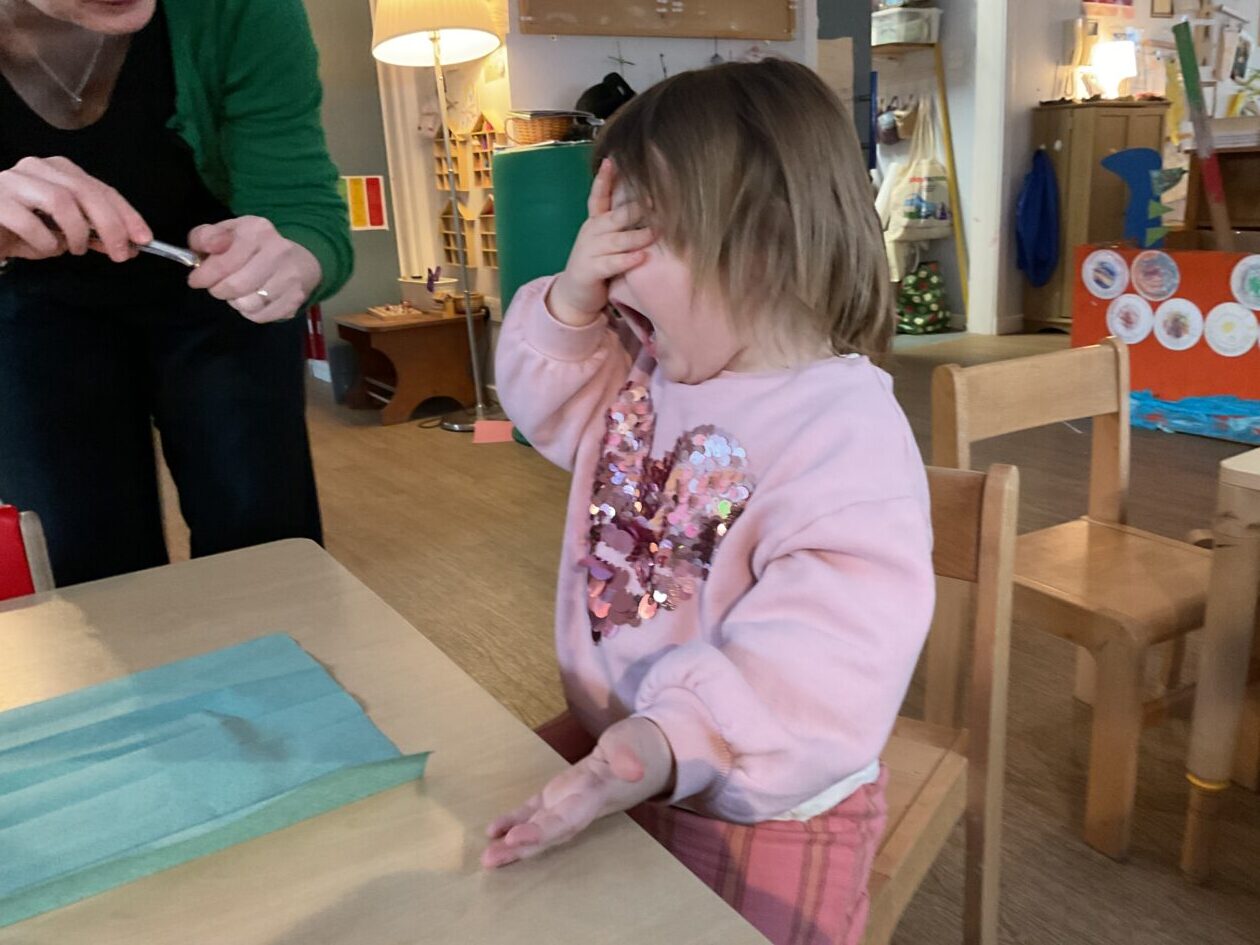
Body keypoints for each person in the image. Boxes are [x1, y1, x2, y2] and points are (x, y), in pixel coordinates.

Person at [486, 60, 935, 945]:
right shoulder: (648, 369)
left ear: (760, 242)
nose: (608, 269)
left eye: (636, 234)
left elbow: (820, 663)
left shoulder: (845, 434)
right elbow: (542, 409)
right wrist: (569, 300)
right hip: (624, 744)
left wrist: (668, 740)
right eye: (603, 234)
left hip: (760, 796)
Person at [0, 0, 351, 586]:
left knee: (265, 556)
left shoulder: (243, 9)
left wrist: (294, 257)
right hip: (23, 300)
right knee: (78, 566)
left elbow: (302, 207)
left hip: (219, 291)